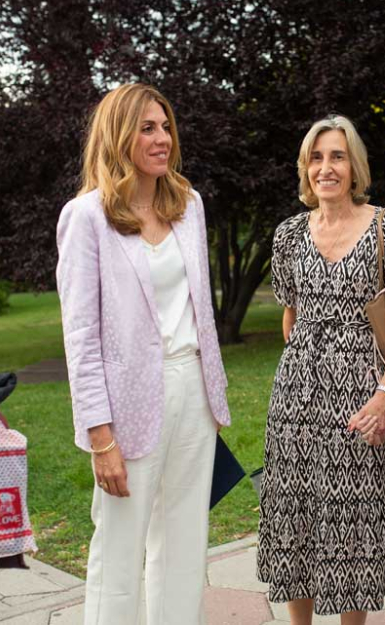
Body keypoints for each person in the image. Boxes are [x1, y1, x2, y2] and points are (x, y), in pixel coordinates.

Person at [56, 83, 229, 625]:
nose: (163, 138)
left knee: (184, 544)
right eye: (147, 128)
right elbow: (80, 335)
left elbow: (199, 307)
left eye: (166, 126)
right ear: (118, 136)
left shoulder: (189, 206)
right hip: (125, 404)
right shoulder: (86, 217)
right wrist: (99, 436)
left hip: (193, 392)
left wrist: (212, 393)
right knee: (119, 551)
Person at [256, 115, 385, 624]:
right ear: (305, 168)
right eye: (317, 157)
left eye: (338, 156)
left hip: (364, 392)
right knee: (296, 514)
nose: (326, 167)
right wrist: (309, 365)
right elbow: (290, 314)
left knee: (355, 515)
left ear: (355, 167)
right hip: (296, 400)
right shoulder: (288, 234)